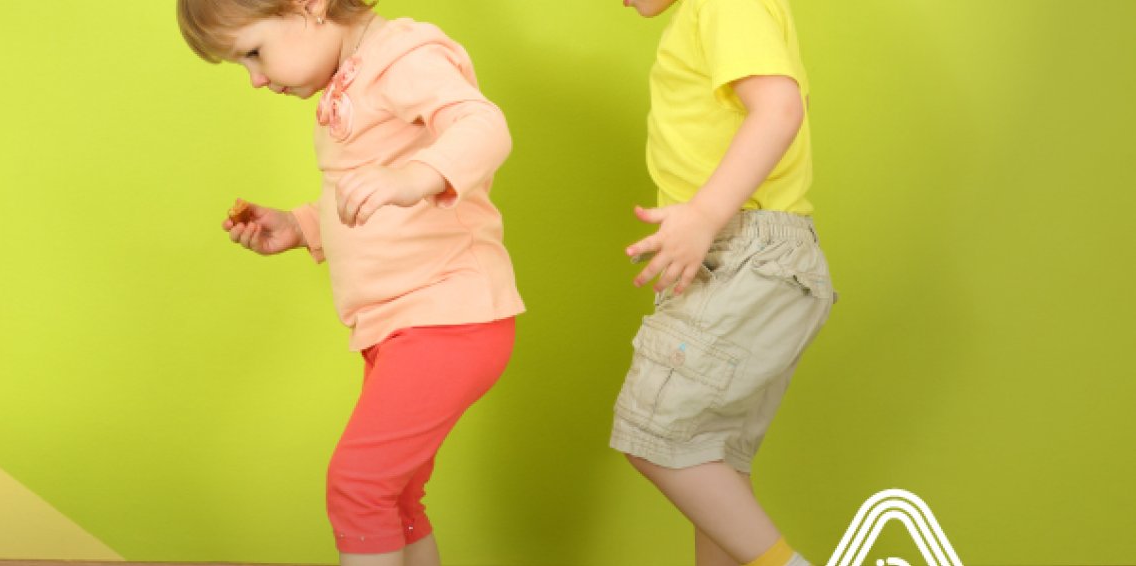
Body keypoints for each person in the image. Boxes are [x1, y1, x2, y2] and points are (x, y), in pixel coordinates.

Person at [176, 1, 524, 565]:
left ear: (310, 6)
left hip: (447, 314)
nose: (256, 79)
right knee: (395, 495)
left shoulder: (401, 56)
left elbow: (484, 126)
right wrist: (300, 225)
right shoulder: (351, 77)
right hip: (402, 324)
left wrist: (417, 176)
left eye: (254, 53)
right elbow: (360, 196)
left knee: (357, 487)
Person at [610, 1, 836, 566]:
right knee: (714, 464)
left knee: (656, 433)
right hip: (750, 256)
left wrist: (706, 214)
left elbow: (781, 108)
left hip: (746, 252)